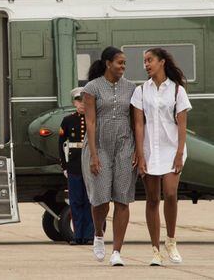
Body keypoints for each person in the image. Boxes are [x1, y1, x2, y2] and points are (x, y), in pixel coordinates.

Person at [130, 48, 192, 266]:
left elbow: (183, 125)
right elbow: (138, 124)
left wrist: (178, 153)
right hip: (148, 149)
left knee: (171, 193)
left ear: (162, 62)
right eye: (144, 61)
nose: (146, 64)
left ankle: (171, 241)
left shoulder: (177, 91)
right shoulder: (140, 91)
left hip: (171, 149)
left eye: (150, 60)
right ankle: (155, 249)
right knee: (152, 199)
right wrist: (140, 152)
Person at [82, 46, 137, 266]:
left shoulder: (132, 88)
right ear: (107, 63)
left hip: (124, 145)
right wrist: (94, 154)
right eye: (119, 63)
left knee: (122, 198)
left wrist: (137, 150)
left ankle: (117, 252)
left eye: (124, 63)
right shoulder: (92, 87)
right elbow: (91, 122)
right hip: (100, 146)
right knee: (101, 199)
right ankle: (98, 234)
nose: (123, 67)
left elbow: (136, 121)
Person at [59, 87, 94, 245]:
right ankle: (77, 235)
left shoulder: (92, 119)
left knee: (89, 200)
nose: (82, 104)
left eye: (84, 101)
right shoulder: (68, 120)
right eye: (79, 101)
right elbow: (61, 144)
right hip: (73, 165)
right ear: (74, 102)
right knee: (75, 201)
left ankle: (89, 235)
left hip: (89, 163)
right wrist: (64, 166)